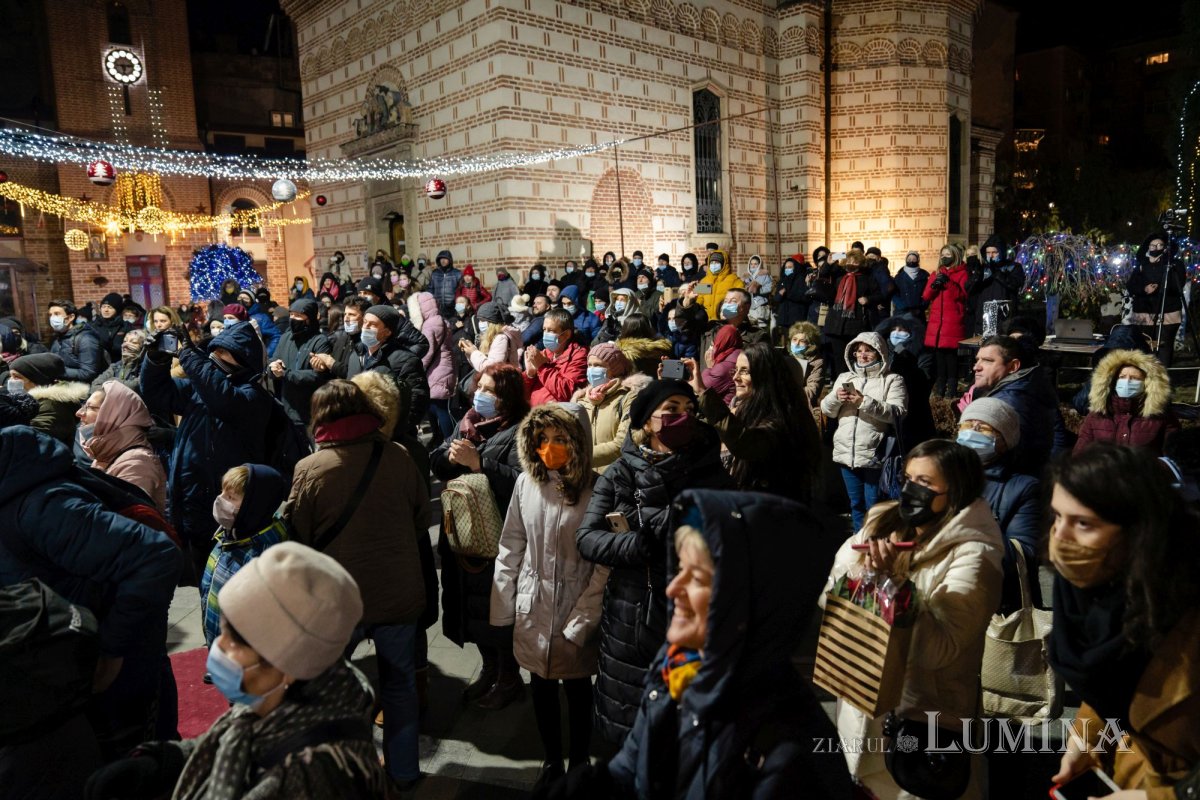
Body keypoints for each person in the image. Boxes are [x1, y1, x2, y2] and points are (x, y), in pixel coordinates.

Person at [541, 489, 853, 799]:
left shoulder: (788, 761)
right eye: (680, 569)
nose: (673, 588)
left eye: (698, 579)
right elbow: (634, 767)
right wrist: (598, 787)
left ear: (751, 602)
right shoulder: (678, 668)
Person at [86, 543, 390, 800]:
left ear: (287, 665)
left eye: (236, 640)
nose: (219, 646)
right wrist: (170, 761)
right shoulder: (291, 695)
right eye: (224, 631)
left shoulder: (314, 774)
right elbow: (239, 739)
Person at [0, 415, 179, 786]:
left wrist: (111, 651)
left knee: (130, 776)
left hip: (108, 673)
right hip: (63, 669)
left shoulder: (42, 505)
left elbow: (155, 557)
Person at [825, 439, 1003, 800]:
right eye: (908, 479)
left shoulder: (977, 554)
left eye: (925, 483)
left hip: (924, 721)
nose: (911, 491)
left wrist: (894, 583)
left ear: (957, 490)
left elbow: (940, 650)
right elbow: (830, 597)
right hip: (865, 701)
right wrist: (866, 572)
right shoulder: (883, 521)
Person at [284, 380, 430, 789]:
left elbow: (299, 535)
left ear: (321, 417)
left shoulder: (312, 468)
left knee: (337, 689)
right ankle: (404, 771)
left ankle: (352, 774)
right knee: (399, 685)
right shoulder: (398, 456)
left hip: (338, 600)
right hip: (397, 591)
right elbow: (422, 518)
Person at [575, 378, 734, 743]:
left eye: (689, 410)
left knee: (684, 730)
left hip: (694, 614)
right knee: (629, 722)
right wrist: (638, 544)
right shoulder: (621, 474)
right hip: (631, 613)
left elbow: (732, 537)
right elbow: (587, 538)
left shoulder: (712, 473)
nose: (683, 417)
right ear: (647, 421)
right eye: (672, 410)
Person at [1046, 445, 1200, 799]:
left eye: (1083, 523)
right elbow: (1108, 684)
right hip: (1125, 772)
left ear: (1137, 532)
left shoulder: (1185, 603)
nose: (1061, 537)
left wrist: (1160, 797)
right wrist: (1084, 742)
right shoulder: (1087, 588)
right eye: (1057, 517)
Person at [492, 403, 609, 790]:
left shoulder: (598, 490)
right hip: (534, 605)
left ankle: (578, 761)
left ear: (578, 443)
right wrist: (504, 608)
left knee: (578, 690)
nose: (549, 447)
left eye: (561, 439)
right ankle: (551, 759)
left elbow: (603, 566)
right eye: (542, 439)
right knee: (540, 686)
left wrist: (582, 620)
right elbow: (512, 543)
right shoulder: (527, 484)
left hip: (575, 607)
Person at [140, 321, 272, 585]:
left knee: (235, 585)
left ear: (244, 359)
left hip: (230, 509)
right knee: (205, 582)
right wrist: (154, 360)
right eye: (214, 351)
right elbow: (158, 394)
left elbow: (223, 400)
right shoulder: (201, 391)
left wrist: (188, 354)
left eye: (223, 353)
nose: (214, 357)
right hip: (193, 504)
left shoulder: (253, 396)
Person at [431, 363, 530, 709]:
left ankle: (509, 677)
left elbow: (524, 482)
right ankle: (489, 670)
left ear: (507, 398)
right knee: (470, 610)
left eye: (490, 390)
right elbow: (439, 461)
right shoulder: (469, 422)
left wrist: (479, 465)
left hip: (497, 537)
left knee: (497, 613)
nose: (480, 395)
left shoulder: (523, 431)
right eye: (479, 387)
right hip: (463, 534)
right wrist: (450, 457)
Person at [689, 342, 821, 502]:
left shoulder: (782, 418)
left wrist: (704, 393)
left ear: (764, 375)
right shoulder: (745, 407)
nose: (735, 377)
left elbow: (744, 443)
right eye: (735, 370)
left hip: (772, 510)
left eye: (744, 371)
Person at [957, 397, 1041, 614]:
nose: (973, 430)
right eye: (968, 424)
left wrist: (967, 526)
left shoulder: (1023, 487)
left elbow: (1026, 553)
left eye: (984, 427)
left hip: (992, 604)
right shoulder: (939, 474)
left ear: (1005, 440)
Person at [821, 331, 908, 532]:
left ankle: (875, 544)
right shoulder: (844, 377)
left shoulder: (893, 380)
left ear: (880, 353)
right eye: (858, 351)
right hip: (846, 453)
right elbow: (827, 410)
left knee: (875, 506)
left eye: (868, 350)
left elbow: (898, 413)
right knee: (856, 505)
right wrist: (836, 397)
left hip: (875, 454)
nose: (862, 355)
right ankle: (859, 544)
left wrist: (864, 402)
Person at [968, 335, 1060, 476]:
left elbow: (985, 457)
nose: (976, 367)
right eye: (977, 360)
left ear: (1013, 366)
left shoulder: (1009, 402)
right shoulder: (1024, 388)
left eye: (987, 361)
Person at [1074, 348, 1179, 456]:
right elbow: (1080, 454)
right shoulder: (1097, 415)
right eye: (1122, 377)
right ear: (1113, 381)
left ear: (1147, 383)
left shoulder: (1162, 416)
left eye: (1134, 378)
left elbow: (1173, 457)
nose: (1127, 381)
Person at [345, 304, 430, 434]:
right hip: (358, 434)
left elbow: (417, 402)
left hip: (390, 437)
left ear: (388, 332)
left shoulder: (406, 360)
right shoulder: (356, 354)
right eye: (365, 322)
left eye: (372, 325)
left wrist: (393, 430)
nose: (365, 328)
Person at [81, 380, 167, 510]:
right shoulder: (107, 455)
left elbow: (125, 520)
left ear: (115, 414)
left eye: (90, 407)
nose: (79, 413)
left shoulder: (137, 462)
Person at [570, 342, 646, 473]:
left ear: (614, 369)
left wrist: (579, 457)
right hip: (584, 478)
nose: (592, 369)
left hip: (616, 478)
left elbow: (621, 445)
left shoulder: (628, 397)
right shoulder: (580, 400)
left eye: (598, 365)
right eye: (589, 365)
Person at [1126, 230, 1186, 369]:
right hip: (1144, 313)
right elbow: (1131, 285)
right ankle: (1145, 381)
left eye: (1160, 245)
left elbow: (1178, 284)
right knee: (1145, 348)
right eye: (1153, 245)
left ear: (1165, 247)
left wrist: (1159, 287)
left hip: (1168, 313)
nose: (1156, 248)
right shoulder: (1141, 265)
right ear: (1148, 247)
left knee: (1164, 349)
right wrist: (1144, 289)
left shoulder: (1174, 264)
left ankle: (1161, 383)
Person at [267, 298, 332, 425]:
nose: (293, 319)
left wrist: (286, 373)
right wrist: (272, 368)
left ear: (309, 319)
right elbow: (274, 360)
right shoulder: (286, 338)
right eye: (291, 314)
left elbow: (317, 376)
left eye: (298, 316)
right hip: (287, 408)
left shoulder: (320, 341)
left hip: (311, 410)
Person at [878, 314, 936, 447]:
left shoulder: (923, 352)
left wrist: (906, 360)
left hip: (915, 413)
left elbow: (924, 383)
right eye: (894, 329)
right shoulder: (882, 352)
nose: (897, 333)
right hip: (887, 413)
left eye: (902, 330)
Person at [409, 291, 457, 446]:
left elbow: (427, 351)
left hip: (437, 370)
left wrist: (415, 368)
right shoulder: (441, 320)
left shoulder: (430, 325)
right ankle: (439, 438)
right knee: (433, 406)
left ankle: (449, 440)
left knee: (439, 407)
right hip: (442, 367)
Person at [822, 253, 883, 376]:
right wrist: (828, 263)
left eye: (855, 262)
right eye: (849, 261)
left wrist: (868, 299)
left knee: (855, 359)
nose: (851, 264)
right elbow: (823, 274)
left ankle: (856, 387)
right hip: (836, 326)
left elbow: (879, 295)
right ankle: (844, 389)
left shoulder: (867, 278)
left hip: (856, 326)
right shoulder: (839, 275)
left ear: (860, 264)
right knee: (840, 361)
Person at [8, 352, 90, 444]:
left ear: (36, 379)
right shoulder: (30, 400)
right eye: (10, 376)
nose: (11, 381)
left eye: (16, 377)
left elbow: (28, 440)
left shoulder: (50, 407)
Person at [923, 243, 970, 397]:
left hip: (952, 322)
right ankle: (940, 387)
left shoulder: (963, 273)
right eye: (942, 254)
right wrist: (935, 284)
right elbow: (926, 296)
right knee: (939, 357)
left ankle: (952, 387)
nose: (944, 257)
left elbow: (962, 295)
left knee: (951, 357)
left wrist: (948, 283)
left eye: (948, 254)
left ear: (955, 256)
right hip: (937, 323)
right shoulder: (936, 273)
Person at [525, 308, 588, 405]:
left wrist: (542, 367)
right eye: (544, 330)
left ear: (566, 334)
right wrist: (530, 375)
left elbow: (567, 392)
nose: (546, 334)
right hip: (534, 412)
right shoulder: (544, 353)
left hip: (556, 415)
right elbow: (524, 393)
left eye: (551, 330)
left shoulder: (579, 355)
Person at [966, 234, 1023, 336]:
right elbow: (970, 290)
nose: (991, 256)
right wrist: (976, 273)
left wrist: (997, 273)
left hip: (1004, 318)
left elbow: (1014, 284)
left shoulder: (1013, 267)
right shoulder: (983, 269)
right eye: (988, 253)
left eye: (994, 252)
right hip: (984, 318)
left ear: (1001, 252)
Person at [46, 299, 106, 385]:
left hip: (85, 391)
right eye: (50, 315)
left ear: (71, 317)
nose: (52, 318)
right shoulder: (57, 339)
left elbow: (88, 372)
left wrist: (56, 372)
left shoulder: (86, 339)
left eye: (57, 314)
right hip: (64, 387)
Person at [462, 300, 522, 373]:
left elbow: (491, 368)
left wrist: (474, 352)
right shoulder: (493, 337)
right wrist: (469, 352)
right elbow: (480, 366)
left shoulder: (501, 339)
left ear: (492, 323)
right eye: (479, 320)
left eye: (482, 320)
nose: (480, 323)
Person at [693, 250, 743, 322]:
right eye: (712, 263)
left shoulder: (734, 280)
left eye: (716, 262)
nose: (713, 265)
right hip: (707, 322)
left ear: (723, 264)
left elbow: (741, 299)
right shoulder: (704, 281)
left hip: (725, 321)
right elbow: (699, 298)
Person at [91, 328, 145, 394]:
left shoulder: (145, 367)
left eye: (133, 342)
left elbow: (135, 386)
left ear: (143, 347)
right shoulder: (116, 366)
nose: (126, 345)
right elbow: (95, 385)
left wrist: (111, 380)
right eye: (125, 341)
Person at [699, 324, 742, 405]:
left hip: (723, 410)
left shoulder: (724, 367)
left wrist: (710, 367)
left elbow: (703, 387)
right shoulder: (739, 355)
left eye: (713, 344)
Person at [788, 321, 825, 408]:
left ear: (810, 344)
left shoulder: (817, 362)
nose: (796, 343)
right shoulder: (784, 358)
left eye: (802, 341)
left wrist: (787, 390)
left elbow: (812, 391)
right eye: (794, 339)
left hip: (802, 407)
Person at [774, 255, 811, 337]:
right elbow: (776, 299)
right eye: (786, 267)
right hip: (783, 318)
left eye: (790, 267)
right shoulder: (782, 280)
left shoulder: (800, 279)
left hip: (796, 318)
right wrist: (780, 294)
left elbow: (804, 297)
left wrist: (788, 294)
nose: (787, 269)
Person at [91, 292, 131, 362]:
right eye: (103, 307)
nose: (106, 310)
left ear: (117, 309)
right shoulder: (93, 326)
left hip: (120, 365)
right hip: (100, 366)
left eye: (110, 307)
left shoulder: (126, 326)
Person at [893, 250, 929, 318]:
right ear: (906, 260)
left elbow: (927, 294)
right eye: (909, 259)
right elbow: (894, 293)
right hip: (902, 312)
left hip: (918, 313)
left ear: (918, 260)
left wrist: (921, 306)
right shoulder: (899, 276)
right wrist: (901, 306)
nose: (911, 261)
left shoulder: (923, 276)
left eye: (914, 259)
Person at [430, 249, 462, 317]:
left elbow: (461, 292)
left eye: (445, 258)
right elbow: (430, 289)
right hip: (438, 308)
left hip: (453, 309)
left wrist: (460, 310)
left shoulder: (457, 273)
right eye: (441, 259)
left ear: (450, 260)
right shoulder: (434, 273)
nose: (443, 260)